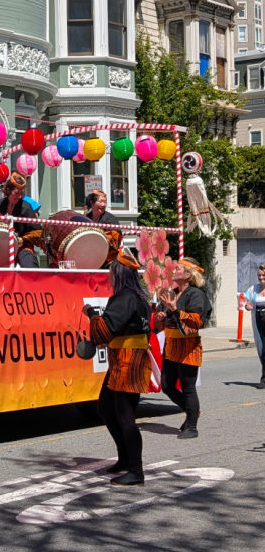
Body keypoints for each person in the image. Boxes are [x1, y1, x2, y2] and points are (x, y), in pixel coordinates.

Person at [83, 250, 152, 486]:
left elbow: (104, 330)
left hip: (128, 361)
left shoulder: (125, 297)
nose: (110, 275)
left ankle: (136, 470)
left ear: (119, 274)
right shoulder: (137, 296)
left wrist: (92, 314)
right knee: (106, 407)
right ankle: (125, 459)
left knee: (124, 416)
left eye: (112, 272)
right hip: (125, 359)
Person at [154, 257, 212, 439]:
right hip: (171, 345)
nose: (174, 270)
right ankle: (191, 412)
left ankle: (192, 426)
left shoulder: (195, 295)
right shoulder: (173, 293)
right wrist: (161, 317)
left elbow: (196, 322)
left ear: (188, 275)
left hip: (188, 346)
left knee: (188, 387)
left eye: (178, 268)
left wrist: (176, 310)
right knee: (167, 385)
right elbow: (161, 325)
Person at [0, 172, 41, 268]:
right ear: (8, 190)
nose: (19, 196)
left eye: (21, 193)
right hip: (0, 246)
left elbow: (38, 232)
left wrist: (22, 239)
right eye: (16, 193)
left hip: (22, 246)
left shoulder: (26, 207)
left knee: (29, 266)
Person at [85, 189, 122, 265]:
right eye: (100, 201)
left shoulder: (111, 219)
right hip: (88, 256)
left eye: (105, 202)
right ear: (92, 203)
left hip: (107, 259)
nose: (103, 204)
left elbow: (115, 242)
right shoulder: (86, 218)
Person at [243, 263, 265, 389]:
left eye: (263, 275)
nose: (261, 278)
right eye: (259, 275)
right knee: (262, 348)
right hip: (258, 320)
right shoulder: (254, 289)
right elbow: (246, 301)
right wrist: (247, 306)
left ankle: (264, 379)